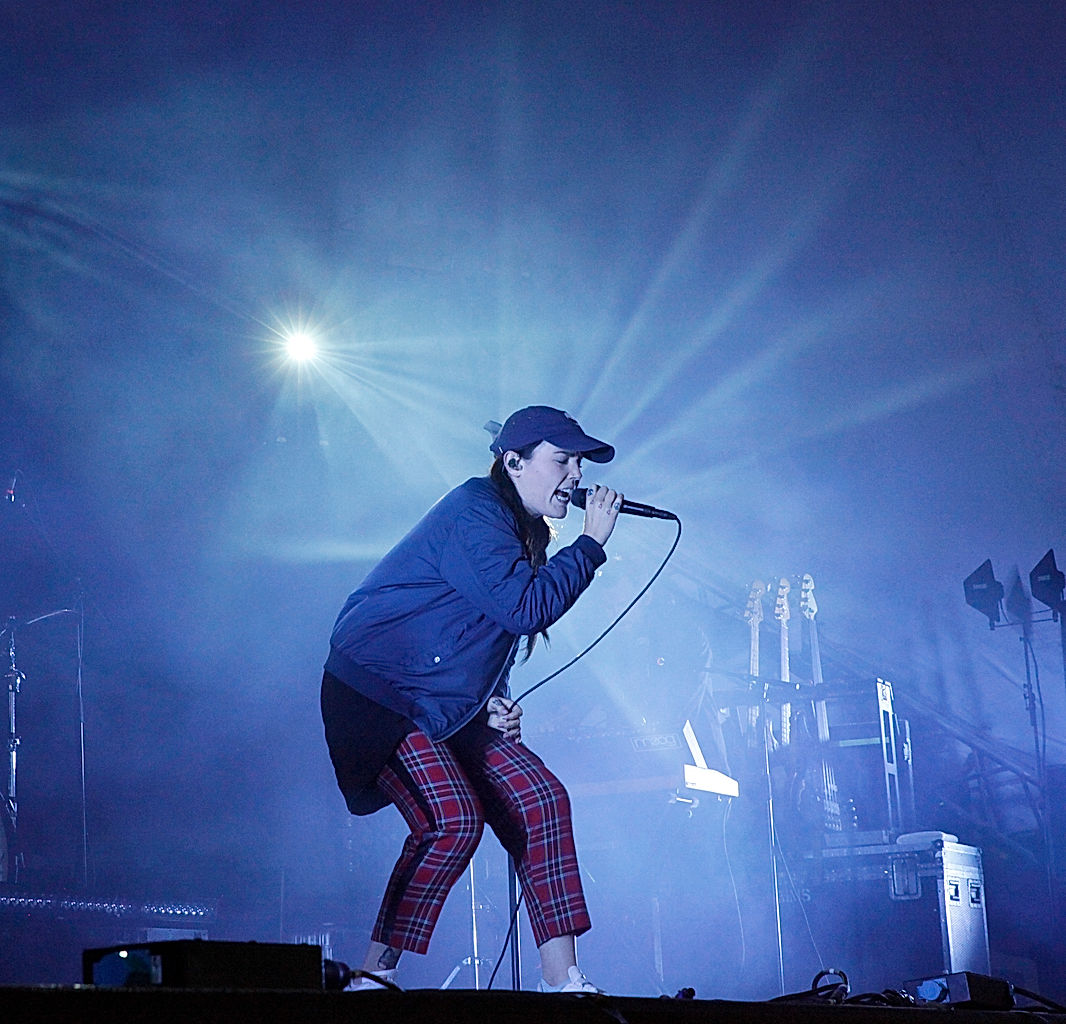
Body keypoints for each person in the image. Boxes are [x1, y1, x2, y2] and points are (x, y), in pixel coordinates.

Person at [321, 406, 623, 993]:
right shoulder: (475, 511)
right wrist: (590, 547)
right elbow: (523, 607)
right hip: (377, 696)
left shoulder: (522, 529)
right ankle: (372, 975)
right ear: (513, 462)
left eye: (579, 462)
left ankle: (563, 980)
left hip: (441, 703)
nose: (575, 475)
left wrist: (493, 700)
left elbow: (479, 634)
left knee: (542, 800)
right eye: (561, 459)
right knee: (453, 819)